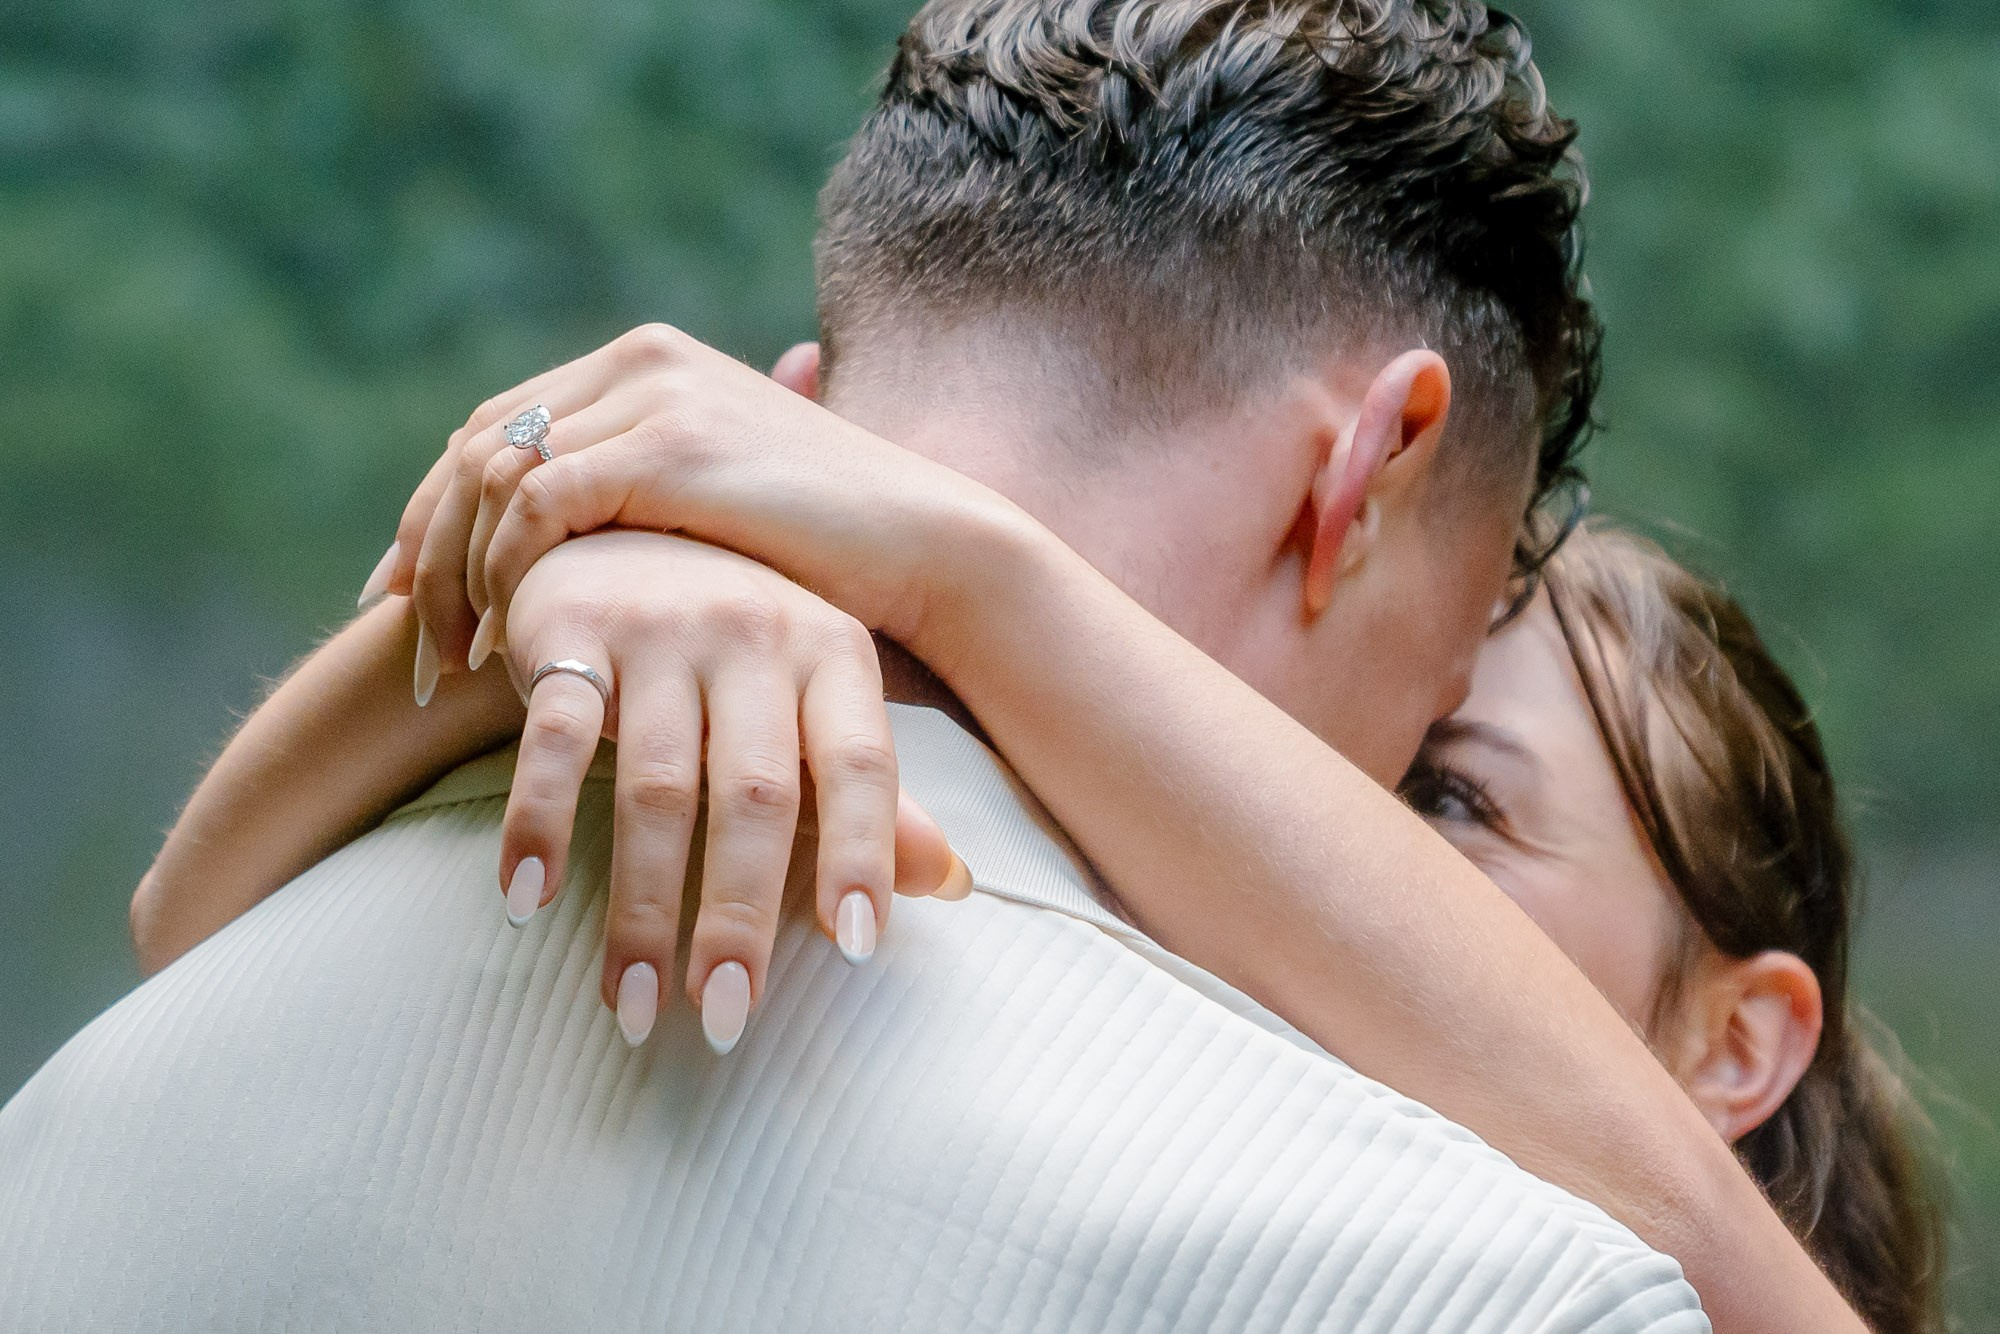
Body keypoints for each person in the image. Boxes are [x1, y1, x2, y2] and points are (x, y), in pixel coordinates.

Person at [0, 2, 1860, 1329]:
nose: (1365, 805)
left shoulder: (86, 1113)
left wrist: (896, 560)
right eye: (1428, 721)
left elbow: (177, 917)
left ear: (803, 409)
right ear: (1367, 470)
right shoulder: (1478, 1281)